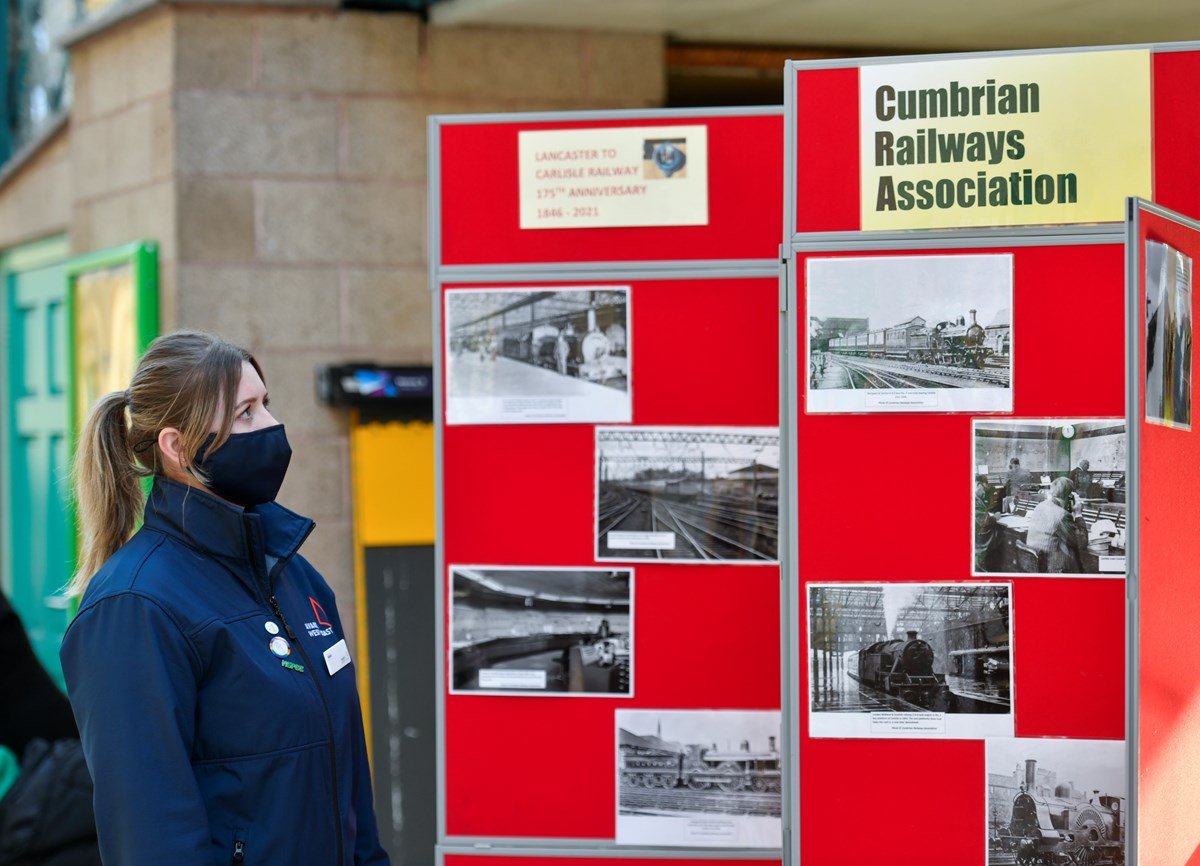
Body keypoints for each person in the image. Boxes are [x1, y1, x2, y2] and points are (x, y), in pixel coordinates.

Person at [59, 330, 389, 866]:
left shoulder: (296, 577)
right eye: (244, 414)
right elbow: (151, 835)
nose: (272, 427)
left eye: (266, 404)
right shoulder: (134, 606)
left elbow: (350, 793)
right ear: (177, 447)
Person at [1024, 477, 1090, 573]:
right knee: (1080, 558)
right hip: (1053, 568)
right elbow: (1082, 542)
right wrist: (1078, 514)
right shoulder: (1062, 515)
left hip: (1036, 565)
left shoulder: (1040, 506)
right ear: (1070, 496)